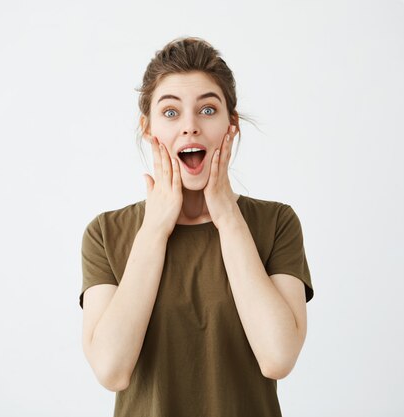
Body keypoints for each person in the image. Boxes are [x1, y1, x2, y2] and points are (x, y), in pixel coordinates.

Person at [79, 36, 314, 417]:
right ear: (148, 129)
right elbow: (111, 369)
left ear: (231, 125)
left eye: (207, 109)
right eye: (170, 113)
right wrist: (155, 229)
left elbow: (278, 358)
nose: (190, 127)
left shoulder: (276, 223)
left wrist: (227, 217)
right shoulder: (106, 233)